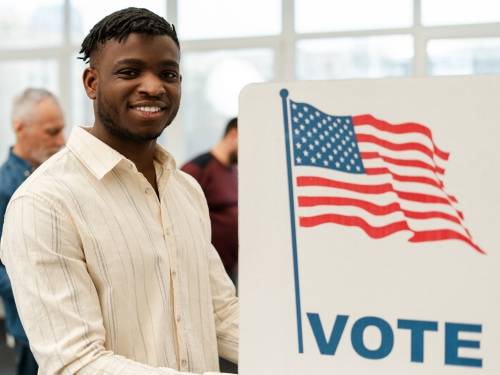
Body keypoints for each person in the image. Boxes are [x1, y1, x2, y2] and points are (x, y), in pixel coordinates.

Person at [0, 7, 238, 375]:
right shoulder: (44, 202)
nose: (154, 86)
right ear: (92, 83)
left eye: (168, 74)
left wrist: (302, 357)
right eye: (129, 72)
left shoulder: (184, 189)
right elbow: (75, 363)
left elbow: (219, 312)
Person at [0, 88, 65, 375]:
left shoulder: (58, 177)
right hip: (34, 329)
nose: (61, 141)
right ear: (19, 129)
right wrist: (41, 285)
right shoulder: (4, 188)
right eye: (52, 132)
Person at [181, 118, 238, 283]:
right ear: (233, 134)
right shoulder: (197, 169)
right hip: (204, 274)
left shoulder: (233, 170)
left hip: (229, 269)